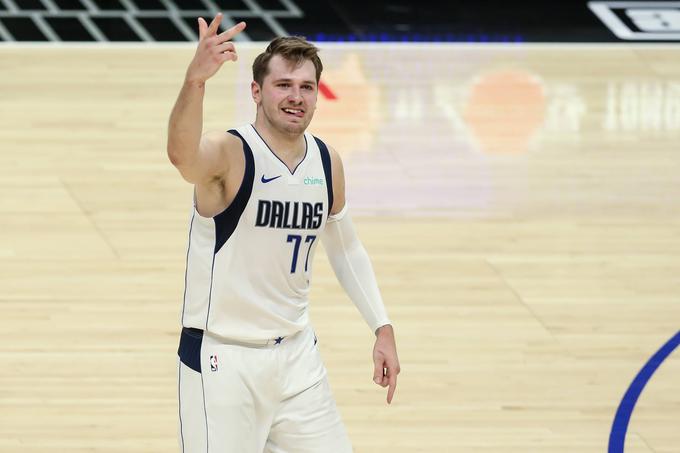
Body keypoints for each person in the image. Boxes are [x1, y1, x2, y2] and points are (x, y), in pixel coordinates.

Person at [166, 13, 400, 453]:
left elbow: (346, 248)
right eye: (284, 85)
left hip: (296, 358)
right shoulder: (230, 153)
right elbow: (182, 157)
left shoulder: (326, 162)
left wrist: (381, 326)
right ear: (256, 91)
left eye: (306, 87)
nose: (296, 97)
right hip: (223, 358)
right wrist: (195, 82)